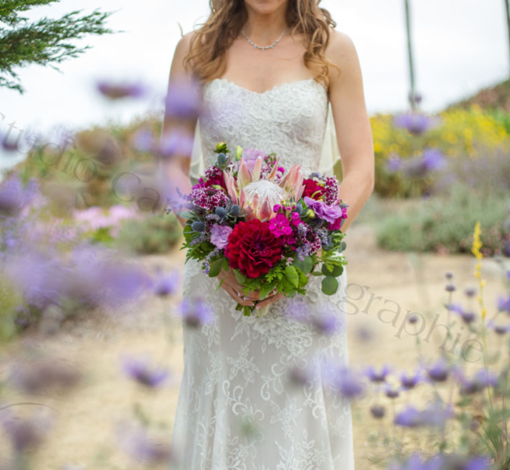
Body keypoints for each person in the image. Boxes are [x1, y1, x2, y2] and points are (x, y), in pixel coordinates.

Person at [161, 0, 374, 468]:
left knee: (297, 410)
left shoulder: (333, 50)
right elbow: (173, 169)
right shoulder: (194, 52)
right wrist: (213, 248)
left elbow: (360, 170)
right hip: (217, 275)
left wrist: (306, 250)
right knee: (222, 407)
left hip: (306, 277)